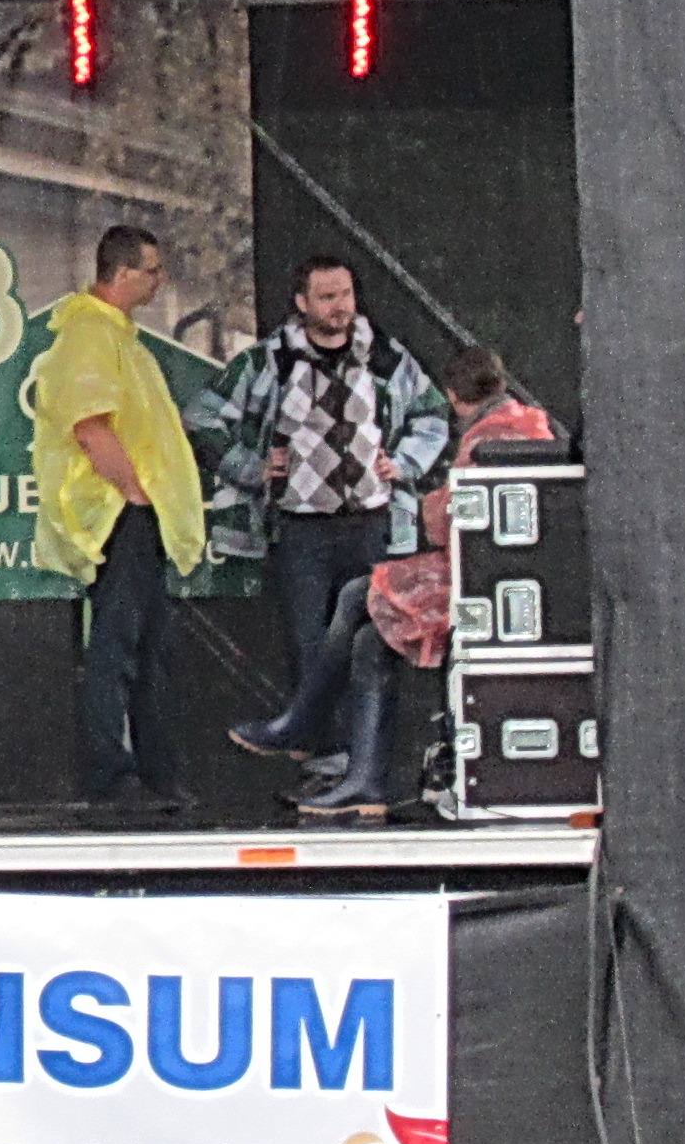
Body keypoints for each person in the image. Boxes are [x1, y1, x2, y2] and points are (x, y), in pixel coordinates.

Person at [291, 345, 561, 820]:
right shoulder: (530, 423)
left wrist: (428, 503)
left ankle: (311, 724)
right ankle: (360, 776)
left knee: (356, 595)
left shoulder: (488, 437)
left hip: (478, 586)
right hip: (504, 579)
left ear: (453, 396)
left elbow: (455, 522)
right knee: (371, 640)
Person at [204, 256, 450, 772]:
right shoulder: (271, 361)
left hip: (370, 522)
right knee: (310, 645)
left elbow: (431, 412)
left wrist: (404, 463)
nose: (340, 307)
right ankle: (323, 759)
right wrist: (251, 466)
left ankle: (364, 763)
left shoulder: (384, 356)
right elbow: (203, 415)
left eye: (346, 295)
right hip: (302, 527)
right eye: (327, 297)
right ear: (302, 302)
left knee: (371, 642)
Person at [21, 225, 206, 810]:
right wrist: (134, 492)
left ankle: (156, 773)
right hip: (116, 513)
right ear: (122, 273)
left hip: (133, 512)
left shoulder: (119, 336)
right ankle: (110, 774)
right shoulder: (89, 335)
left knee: (149, 649)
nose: (160, 281)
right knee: (117, 647)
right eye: (152, 270)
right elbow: (90, 426)